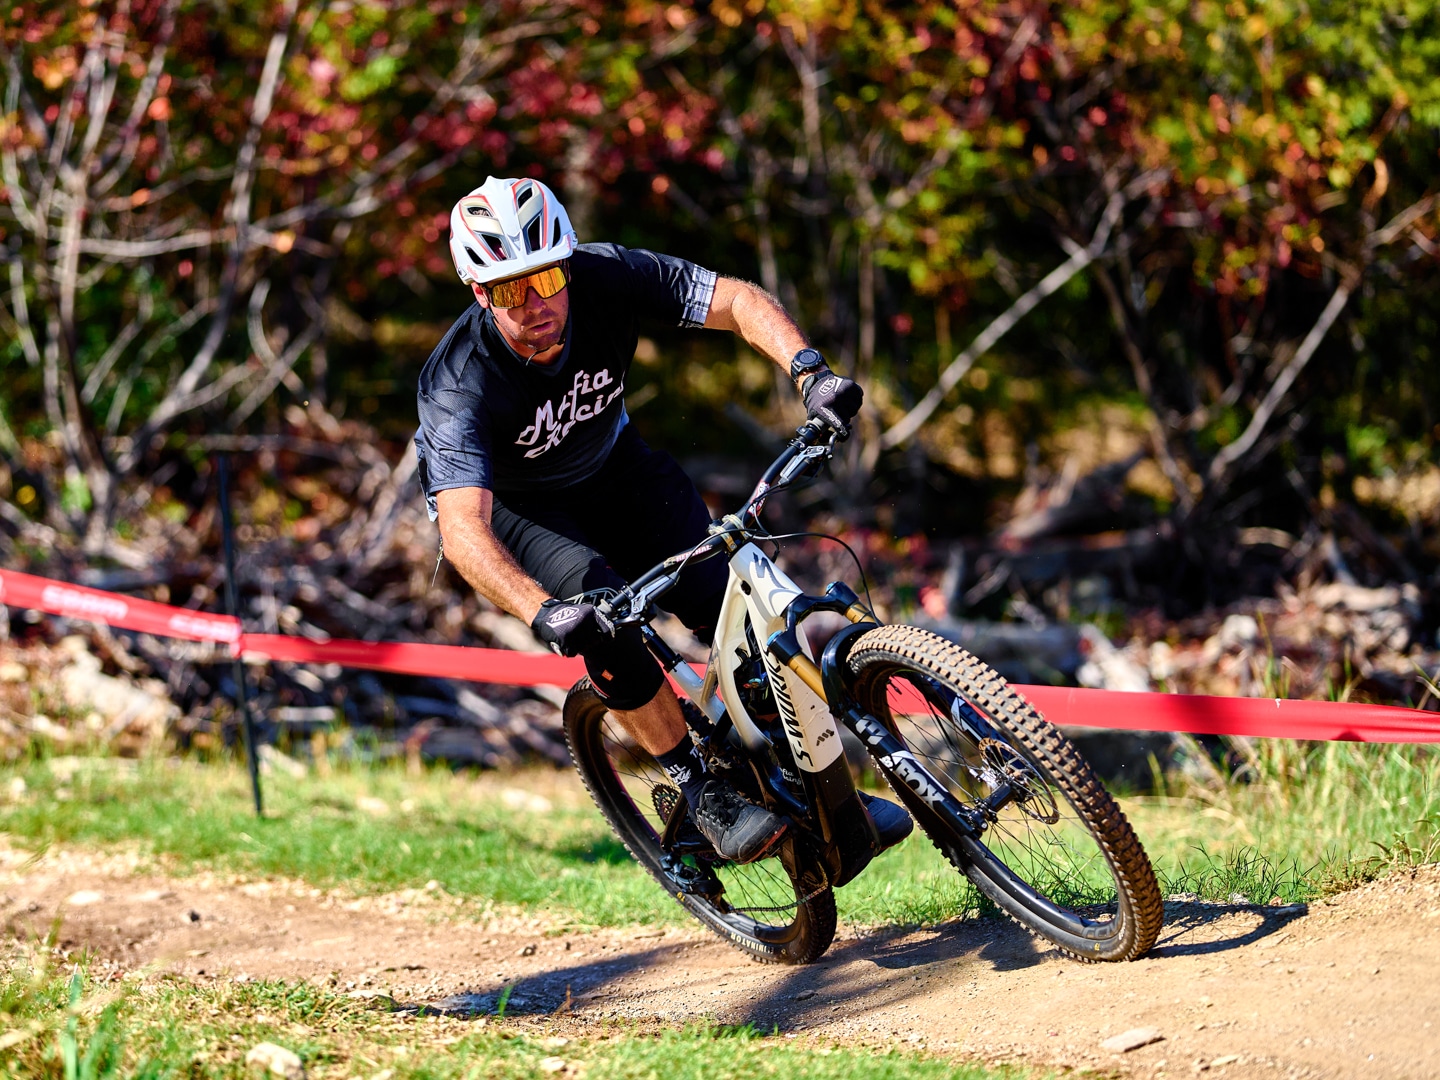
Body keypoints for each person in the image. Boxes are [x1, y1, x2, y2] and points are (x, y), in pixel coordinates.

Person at [415, 176, 910, 865]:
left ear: (567, 263)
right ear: (478, 293)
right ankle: (696, 787)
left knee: (726, 597)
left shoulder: (608, 275)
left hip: (617, 469)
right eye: (508, 291)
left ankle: (813, 786)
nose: (535, 304)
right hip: (529, 512)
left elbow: (735, 300)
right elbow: (463, 529)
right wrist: (540, 611)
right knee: (602, 623)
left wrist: (809, 373)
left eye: (547, 278)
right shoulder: (458, 380)